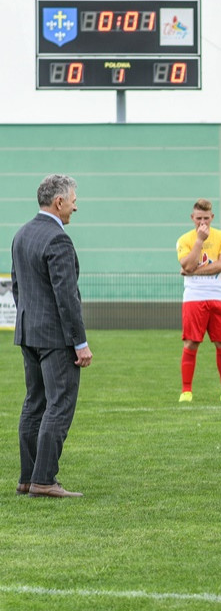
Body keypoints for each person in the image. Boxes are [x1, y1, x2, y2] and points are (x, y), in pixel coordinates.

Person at [11, 174, 93, 498]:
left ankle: (27, 479)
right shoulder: (58, 240)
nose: (76, 206)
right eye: (73, 200)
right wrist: (80, 342)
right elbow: (66, 296)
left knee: (34, 404)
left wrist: (30, 321)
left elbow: (18, 287)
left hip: (29, 333)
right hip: (56, 339)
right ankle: (44, 481)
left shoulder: (21, 235)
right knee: (59, 405)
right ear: (59, 202)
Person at [176, 199, 221, 403]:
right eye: (199, 219)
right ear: (192, 218)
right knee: (191, 342)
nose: (203, 223)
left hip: (219, 296)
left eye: (206, 218)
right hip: (194, 297)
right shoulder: (185, 240)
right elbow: (186, 263)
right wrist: (199, 241)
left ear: (212, 217)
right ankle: (186, 391)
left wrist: (192, 271)